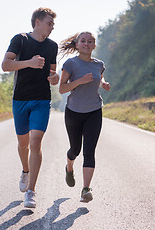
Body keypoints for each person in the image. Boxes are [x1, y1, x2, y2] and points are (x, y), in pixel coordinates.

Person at [1, 7, 59, 208]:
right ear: (37, 22)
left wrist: (55, 78)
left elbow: (53, 73)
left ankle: (31, 191)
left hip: (41, 100)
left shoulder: (52, 46)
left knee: (36, 142)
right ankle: (25, 170)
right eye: (49, 23)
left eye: (53, 24)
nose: (52, 27)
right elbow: (6, 65)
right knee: (23, 143)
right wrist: (29, 63)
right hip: (20, 99)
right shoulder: (20, 39)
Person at [58, 32, 111, 203]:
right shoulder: (70, 64)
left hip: (94, 110)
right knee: (75, 150)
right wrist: (79, 81)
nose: (86, 44)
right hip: (74, 111)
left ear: (94, 46)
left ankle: (86, 189)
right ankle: (69, 167)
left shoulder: (99, 64)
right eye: (83, 41)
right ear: (77, 44)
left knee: (89, 150)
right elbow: (62, 89)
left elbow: (99, 76)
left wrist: (103, 83)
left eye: (90, 42)